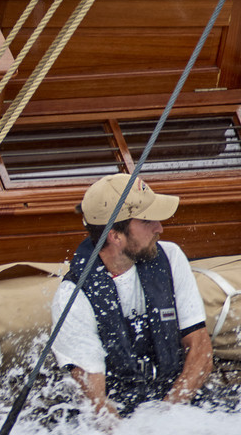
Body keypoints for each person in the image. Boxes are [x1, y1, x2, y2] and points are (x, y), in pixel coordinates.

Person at [50, 174, 213, 417]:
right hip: (121, 422)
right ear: (116, 236)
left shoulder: (170, 257)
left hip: (175, 407)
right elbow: (97, 405)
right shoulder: (72, 297)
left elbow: (200, 347)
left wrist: (169, 412)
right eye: (148, 221)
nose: (160, 227)